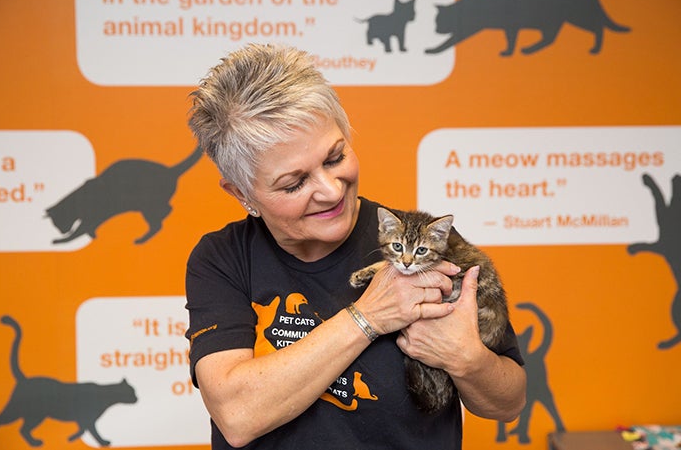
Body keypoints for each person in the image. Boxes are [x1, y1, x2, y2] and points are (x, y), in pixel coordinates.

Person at [184, 43, 526, 450]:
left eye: (335, 157)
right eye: (294, 183)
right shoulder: (222, 259)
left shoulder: (427, 246)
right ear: (242, 193)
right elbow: (238, 417)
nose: (330, 191)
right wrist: (369, 315)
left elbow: (509, 402)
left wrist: (466, 358)